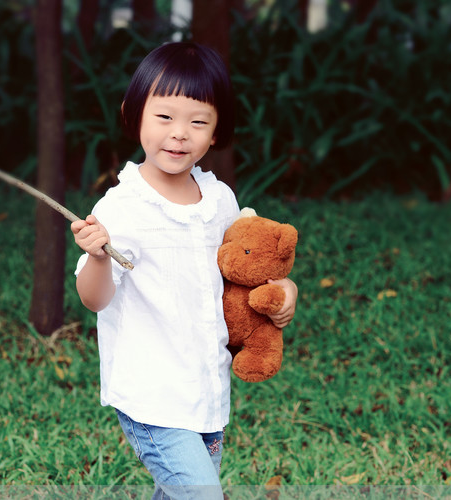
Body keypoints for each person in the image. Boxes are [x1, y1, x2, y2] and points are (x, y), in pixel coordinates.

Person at [70, 42, 298, 499]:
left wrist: (284, 290)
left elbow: (246, 269)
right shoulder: (124, 206)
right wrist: (98, 256)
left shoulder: (220, 201)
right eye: (164, 117)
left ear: (216, 132)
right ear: (134, 115)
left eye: (197, 121)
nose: (179, 134)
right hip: (152, 396)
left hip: (206, 391)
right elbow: (94, 299)